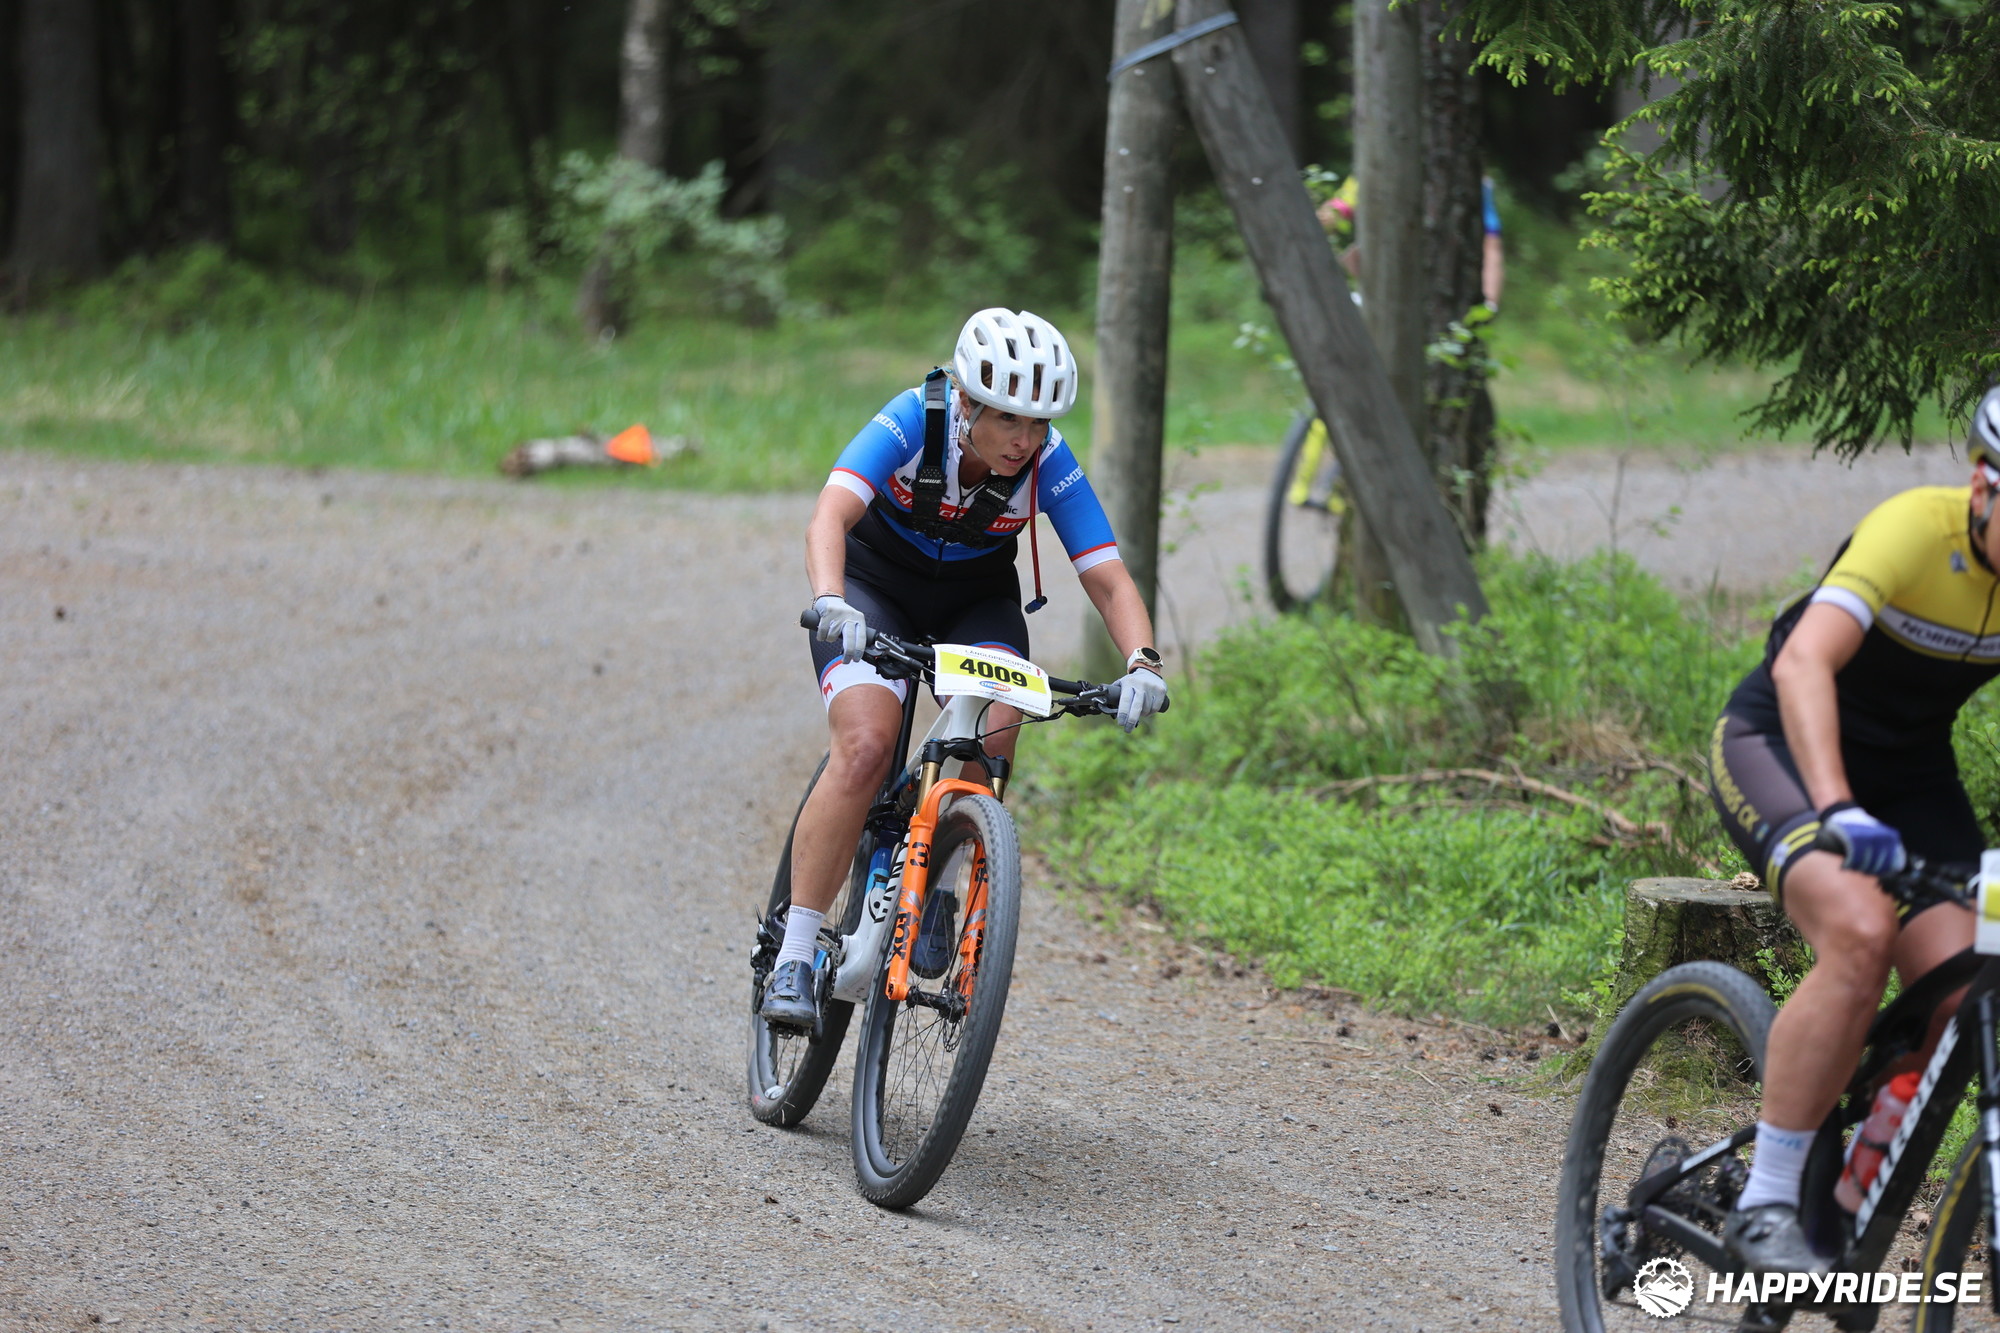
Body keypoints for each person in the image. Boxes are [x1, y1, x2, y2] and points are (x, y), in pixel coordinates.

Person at [759, 308, 1170, 1031]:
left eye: (1038, 423)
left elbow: (1108, 577)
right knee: (866, 745)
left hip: (975, 602)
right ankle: (794, 956)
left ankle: (942, 882)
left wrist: (1143, 663)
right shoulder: (911, 420)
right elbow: (829, 516)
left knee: (997, 729)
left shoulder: (1049, 461)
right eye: (1009, 418)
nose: (1024, 440)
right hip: (872, 588)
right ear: (967, 402)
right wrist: (830, 601)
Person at [1708, 387, 2000, 1271]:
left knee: (1968, 985)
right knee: (1862, 930)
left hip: (1910, 778)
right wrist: (1836, 808)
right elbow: (1804, 659)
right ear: (1983, 487)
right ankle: (1764, 1202)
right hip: (1783, 749)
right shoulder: (1916, 530)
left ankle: (1842, 1205)